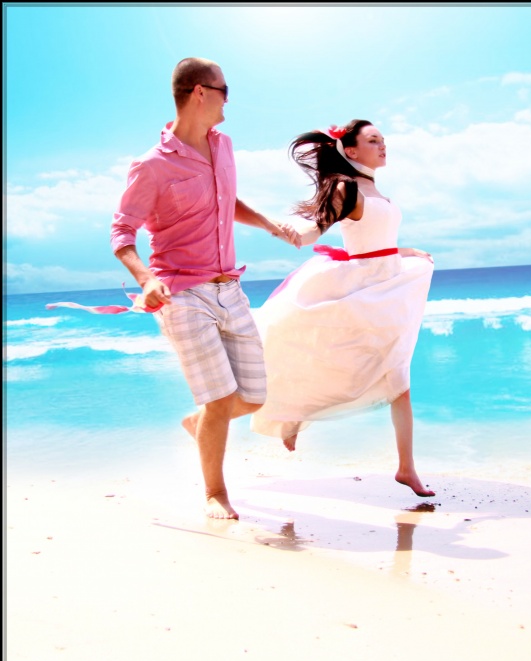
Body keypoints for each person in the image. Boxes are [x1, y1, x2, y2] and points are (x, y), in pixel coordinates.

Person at [110, 57, 299, 520]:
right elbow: (122, 233)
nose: (228, 100)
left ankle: (199, 425)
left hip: (229, 287)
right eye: (224, 90)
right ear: (200, 92)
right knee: (218, 398)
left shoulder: (224, 145)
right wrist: (146, 279)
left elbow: (224, 200)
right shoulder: (151, 166)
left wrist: (268, 223)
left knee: (252, 396)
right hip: (181, 294)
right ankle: (215, 493)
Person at [249, 119, 436, 497]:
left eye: (382, 140)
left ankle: (406, 469)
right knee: (340, 361)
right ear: (350, 150)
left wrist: (406, 251)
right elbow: (315, 231)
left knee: (397, 378)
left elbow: (376, 242)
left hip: (388, 287)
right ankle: (291, 415)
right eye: (373, 140)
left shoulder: (375, 190)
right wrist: (289, 231)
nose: (382, 145)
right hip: (365, 289)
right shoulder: (345, 187)